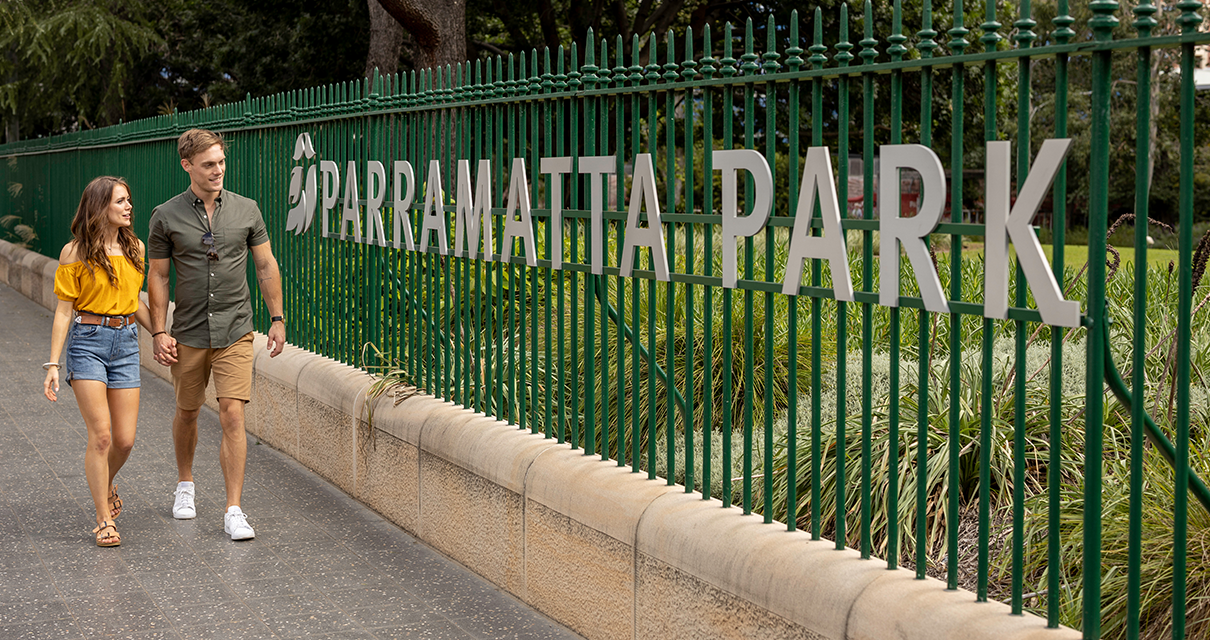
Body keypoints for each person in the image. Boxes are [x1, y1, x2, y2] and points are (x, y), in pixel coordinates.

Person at [148, 128, 285, 541]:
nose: (218, 170)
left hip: (236, 329)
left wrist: (277, 318)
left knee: (232, 413)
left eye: (221, 162)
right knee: (188, 412)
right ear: (187, 165)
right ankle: (185, 484)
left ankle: (233, 509)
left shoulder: (247, 210)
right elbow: (157, 275)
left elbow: (265, 266)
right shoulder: (165, 215)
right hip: (188, 331)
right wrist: (158, 330)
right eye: (209, 164)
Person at [44, 176, 153, 547]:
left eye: (129, 200)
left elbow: (135, 299)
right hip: (87, 342)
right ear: (100, 206)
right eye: (121, 201)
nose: (128, 207)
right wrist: (54, 364)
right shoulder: (74, 253)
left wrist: (160, 333)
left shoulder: (136, 247)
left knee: (125, 440)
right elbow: (63, 311)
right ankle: (103, 519)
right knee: (102, 436)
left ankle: (105, 482)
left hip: (126, 343)